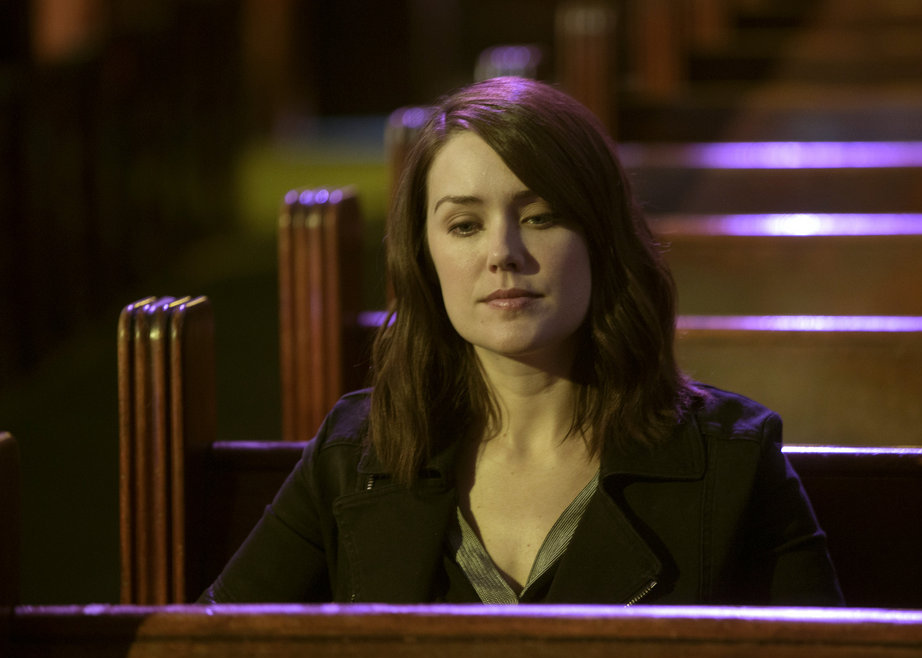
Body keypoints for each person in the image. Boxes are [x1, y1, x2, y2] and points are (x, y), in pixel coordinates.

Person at [199, 77, 843, 605]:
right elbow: (208, 645)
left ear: (601, 239)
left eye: (540, 217)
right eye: (464, 225)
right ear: (424, 257)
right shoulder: (355, 453)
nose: (502, 252)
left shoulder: (733, 461)